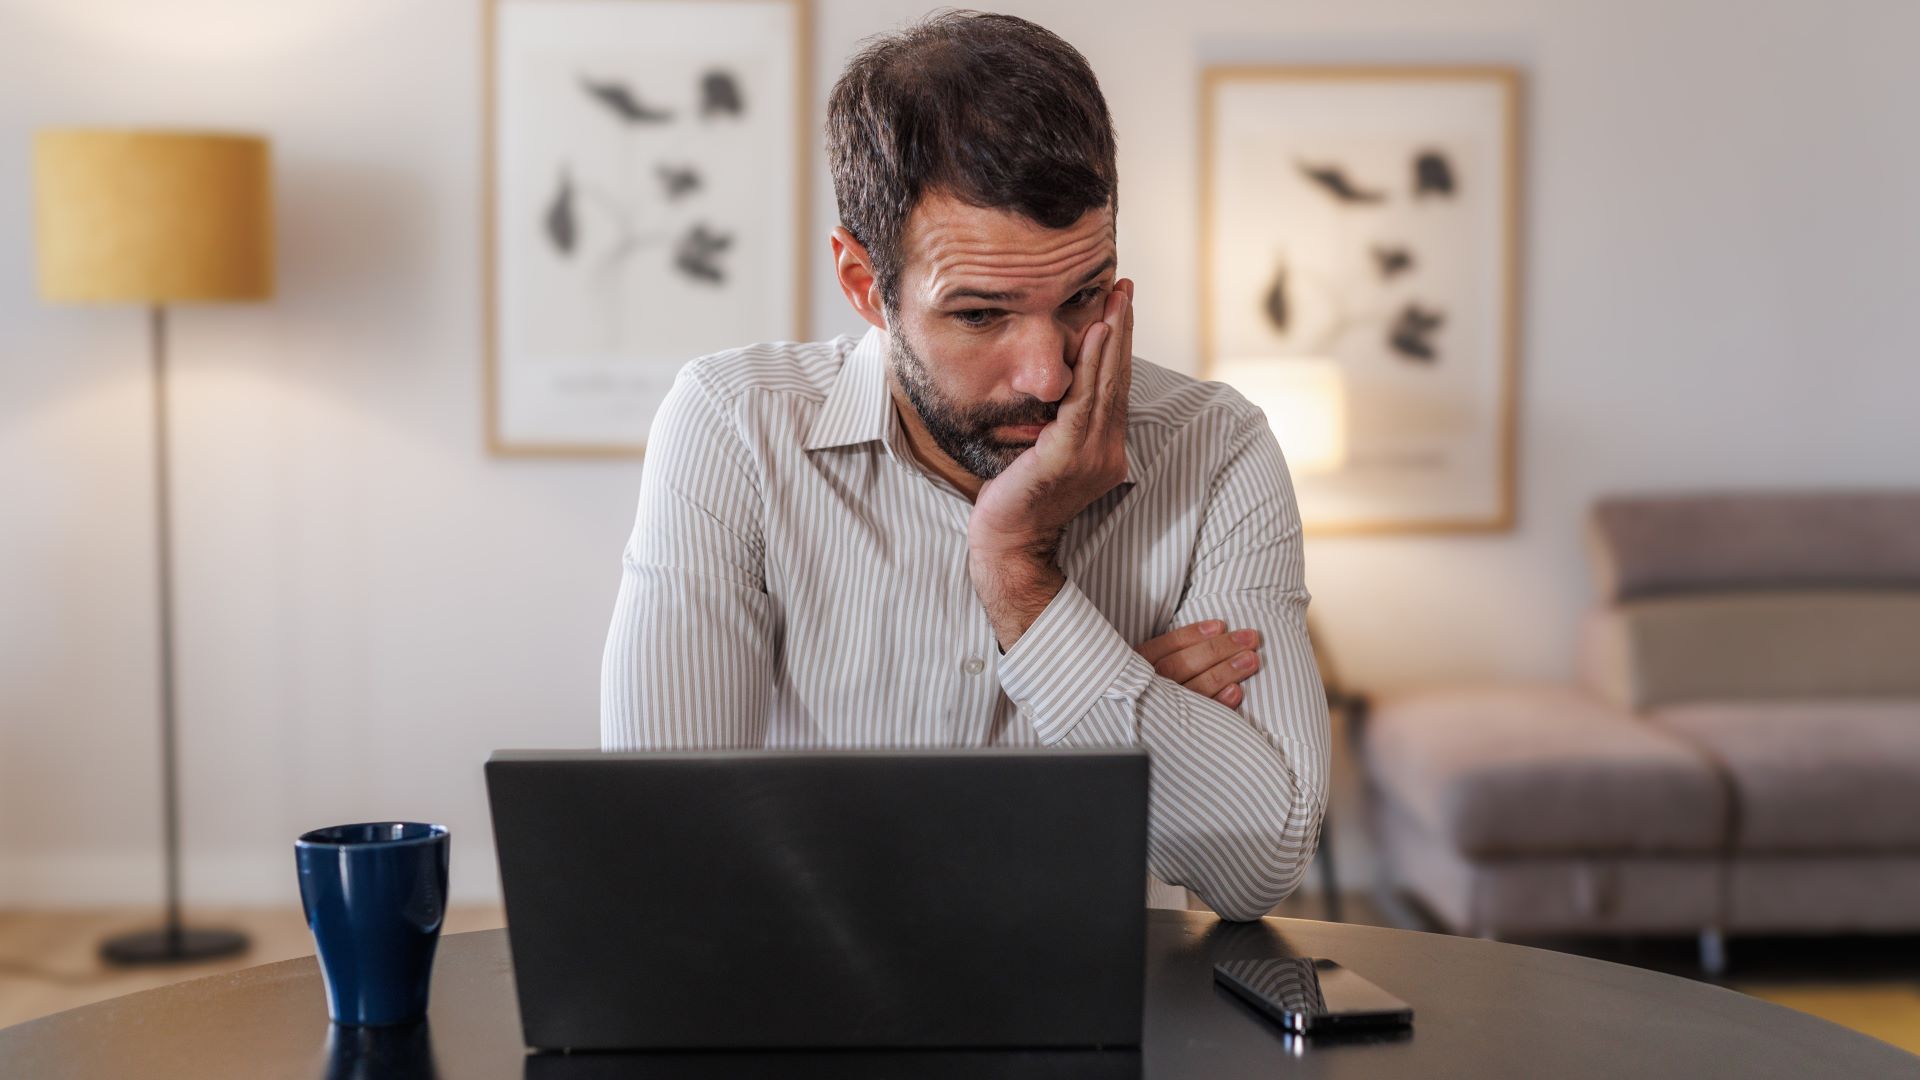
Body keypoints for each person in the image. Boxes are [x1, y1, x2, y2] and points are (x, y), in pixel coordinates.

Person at [601, 10, 1328, 921]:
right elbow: (673, 848)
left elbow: (1262, 865)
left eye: (1083, 297)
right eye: (982, 315)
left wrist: (1018, 575)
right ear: (867, 286)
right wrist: (1119, 726)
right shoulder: (736, 429)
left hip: (1104, 1028)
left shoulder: (1217, 450)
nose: (1050, 372)